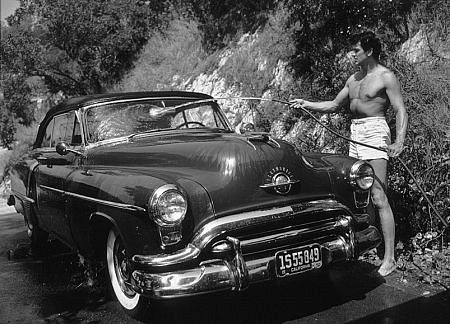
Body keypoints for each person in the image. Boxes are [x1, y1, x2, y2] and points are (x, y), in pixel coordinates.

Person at [290, 31, 408, 277]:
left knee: (378, 195)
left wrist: (399, 141)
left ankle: (389, 258)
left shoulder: (385, 76)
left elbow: (400, 110)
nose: (351, 54)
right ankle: (366, 247)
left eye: (355, 50)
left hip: (375, 131)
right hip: (356, 133)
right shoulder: (353, 79)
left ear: (370, 51)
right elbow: (333, 105)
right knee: (359, 195)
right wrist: (305, 104)